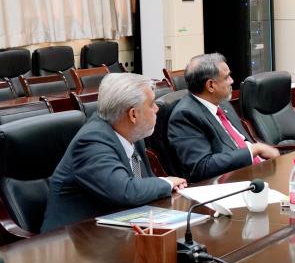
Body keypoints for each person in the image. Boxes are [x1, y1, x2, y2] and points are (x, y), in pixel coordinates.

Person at [41, 73, 187, 233]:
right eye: (151, 104)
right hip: (74, 237)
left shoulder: (132, 132)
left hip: (116, 226)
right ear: (133, 114)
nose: (156, 109)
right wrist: (166, 183)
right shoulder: (92, 142)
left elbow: (144, 182)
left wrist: (168, 187)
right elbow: (126, 192)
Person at [167, 53, 280, 182]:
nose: (232, 81)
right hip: (232, 181)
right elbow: (201, 166)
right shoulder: (185, 116)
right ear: (211, 85)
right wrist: (253, 150)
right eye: (226, 77)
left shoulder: (222, 102)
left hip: (260, 170)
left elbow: (241, 140)